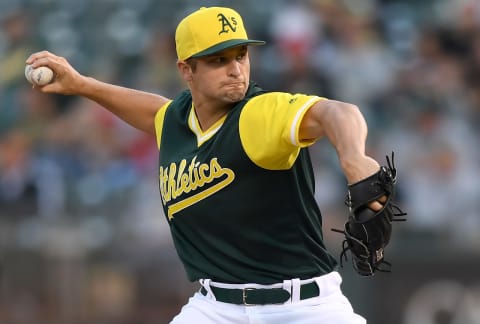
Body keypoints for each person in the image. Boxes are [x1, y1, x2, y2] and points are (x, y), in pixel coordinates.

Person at [26, 6, 388, 324]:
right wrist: (83, 85)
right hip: (216, 308)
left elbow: (338, 112)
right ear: (187, 70)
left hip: (304, 308)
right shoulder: (177, 120)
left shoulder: (259, 113)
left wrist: (354, 157)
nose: (235, 70)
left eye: (241, 56)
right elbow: (153, 111)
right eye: (219, 60)